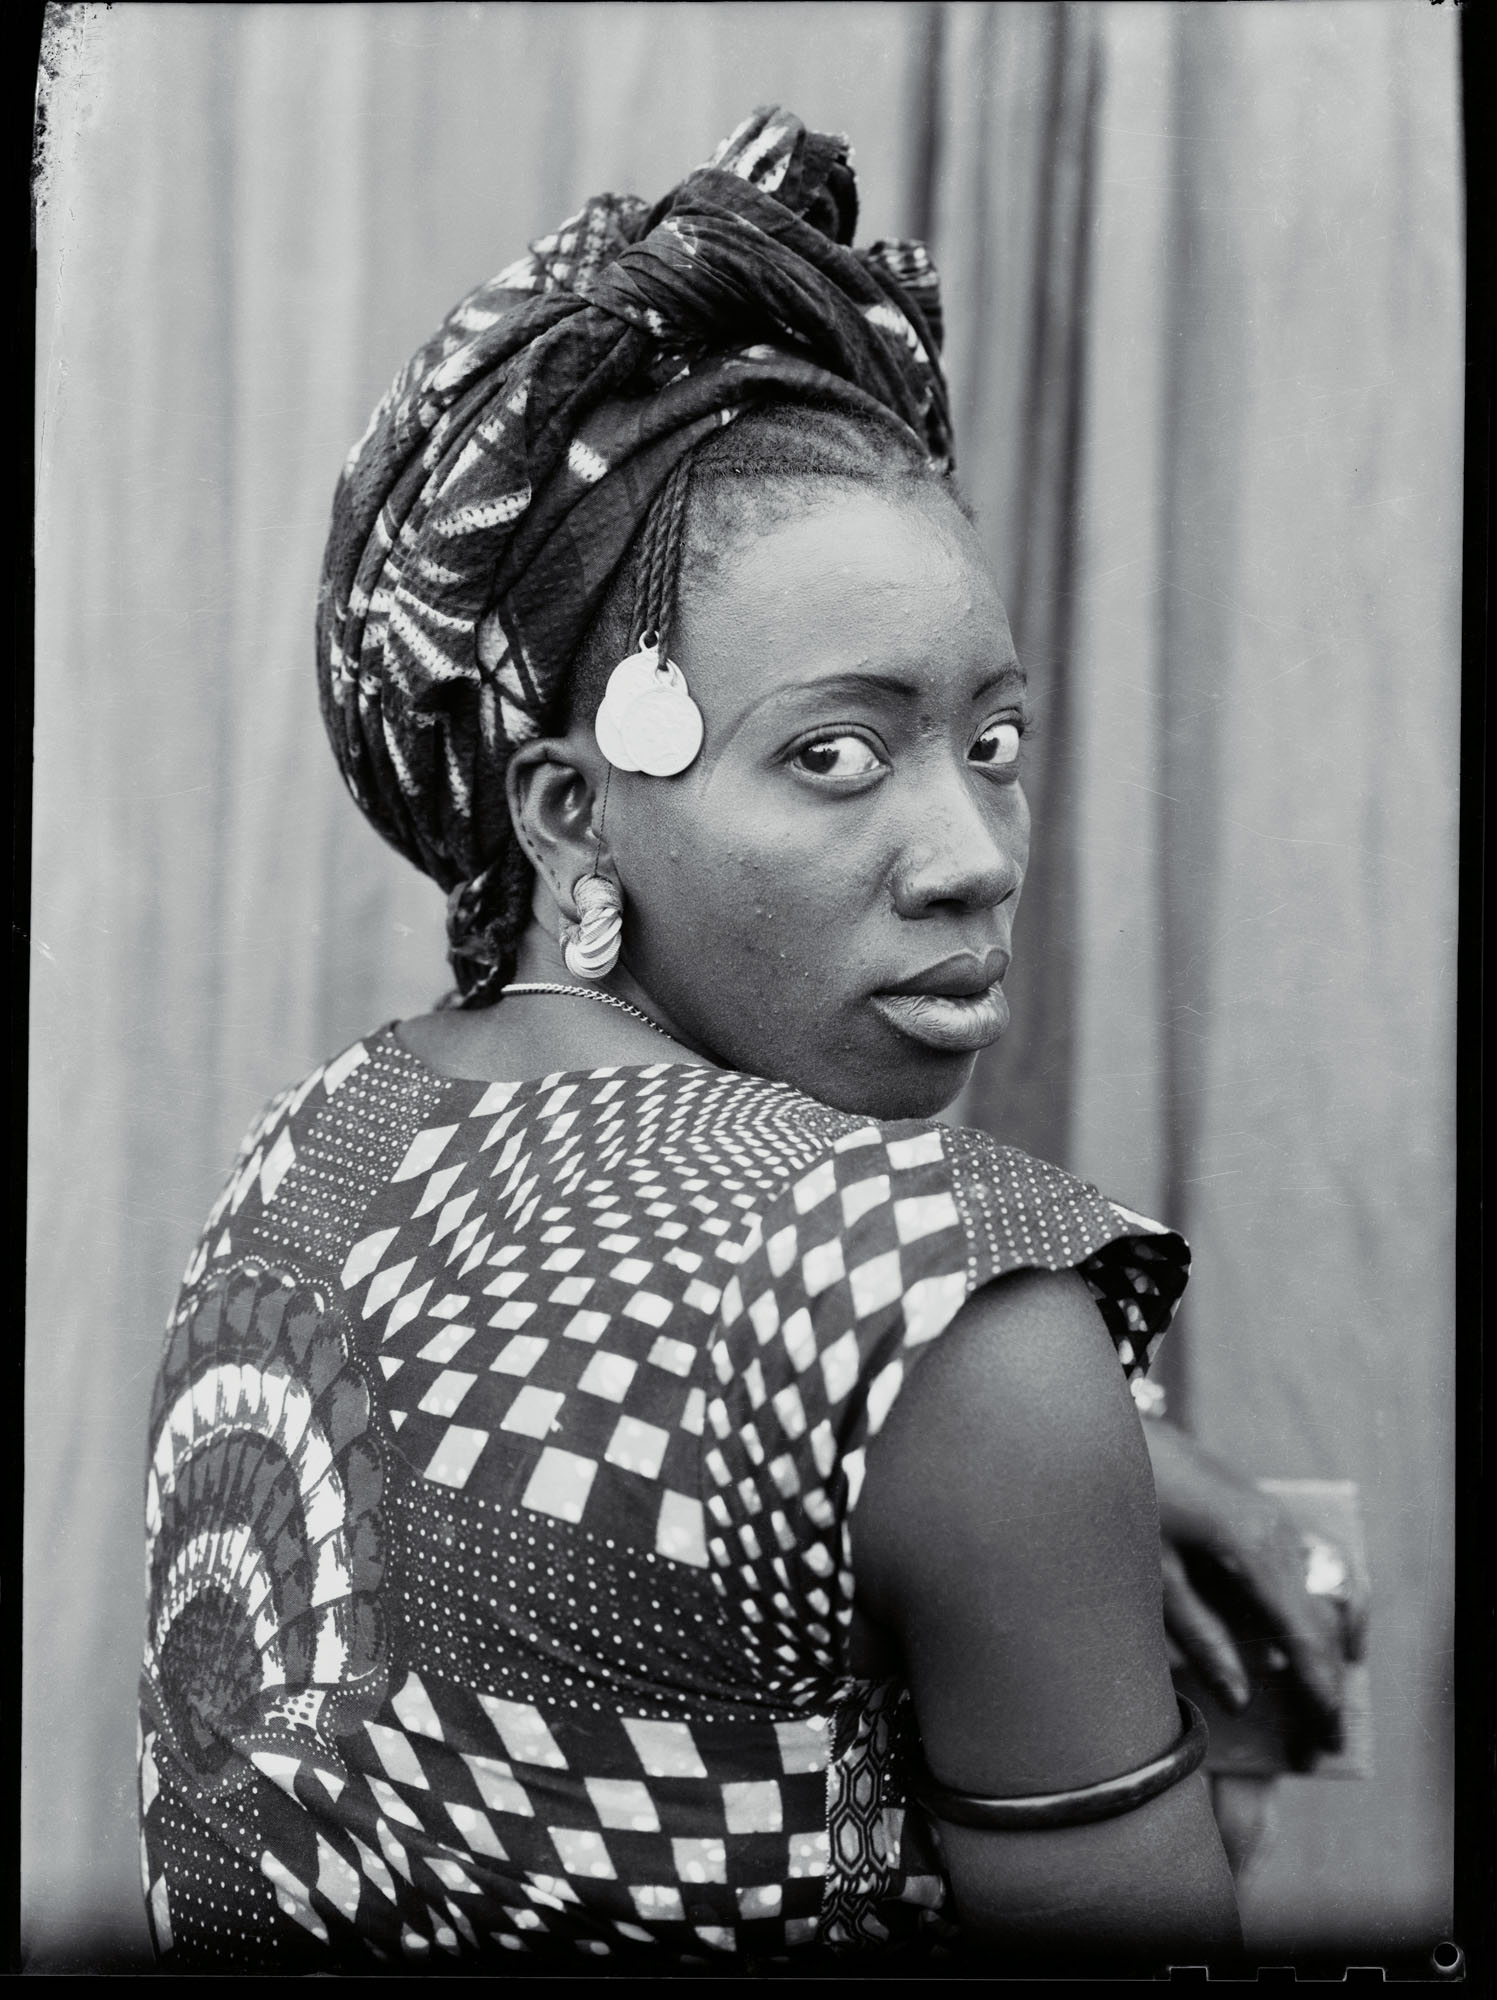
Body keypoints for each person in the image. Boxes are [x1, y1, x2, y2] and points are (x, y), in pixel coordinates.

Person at [137, 108, 1359, 1972]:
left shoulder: (309, 1156)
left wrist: (1057, 1460)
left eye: (995, 742)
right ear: (566, 813)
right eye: (835, 756)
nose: (968, 859)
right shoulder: (953, 1319)